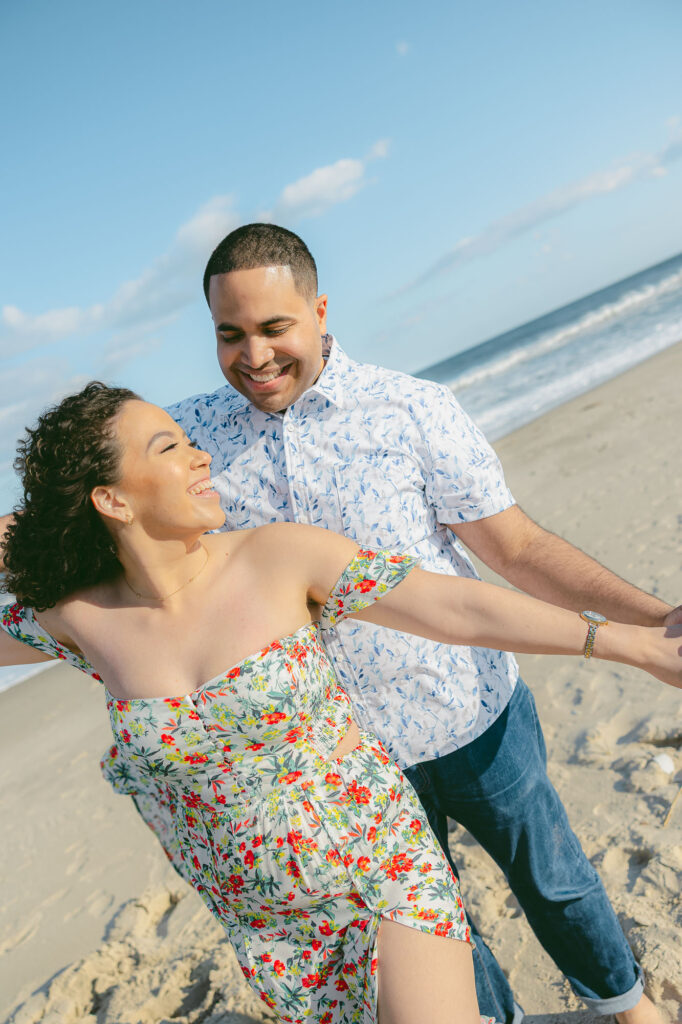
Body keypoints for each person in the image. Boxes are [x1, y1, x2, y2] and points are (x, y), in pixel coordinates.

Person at [1, 384, 680, 1024]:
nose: (199, 454)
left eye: (187, 440)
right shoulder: (79, 618)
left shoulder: (277, 558)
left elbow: (457, 607)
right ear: (111, 500)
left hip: (376, 874)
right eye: (168, 448)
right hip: (275, 939)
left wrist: (628, 644)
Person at [155, 223, 680, 1024]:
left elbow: (518, 548)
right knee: (440, 935)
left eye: (273, 328)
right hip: (348, 768)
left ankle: (628, 1007)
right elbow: (87, 507)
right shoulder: (189, 445)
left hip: (475, 715)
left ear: (319, 309)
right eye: (230, 334)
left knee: (557, 880)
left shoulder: (410, 408)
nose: (253, 356)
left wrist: (658, 619)